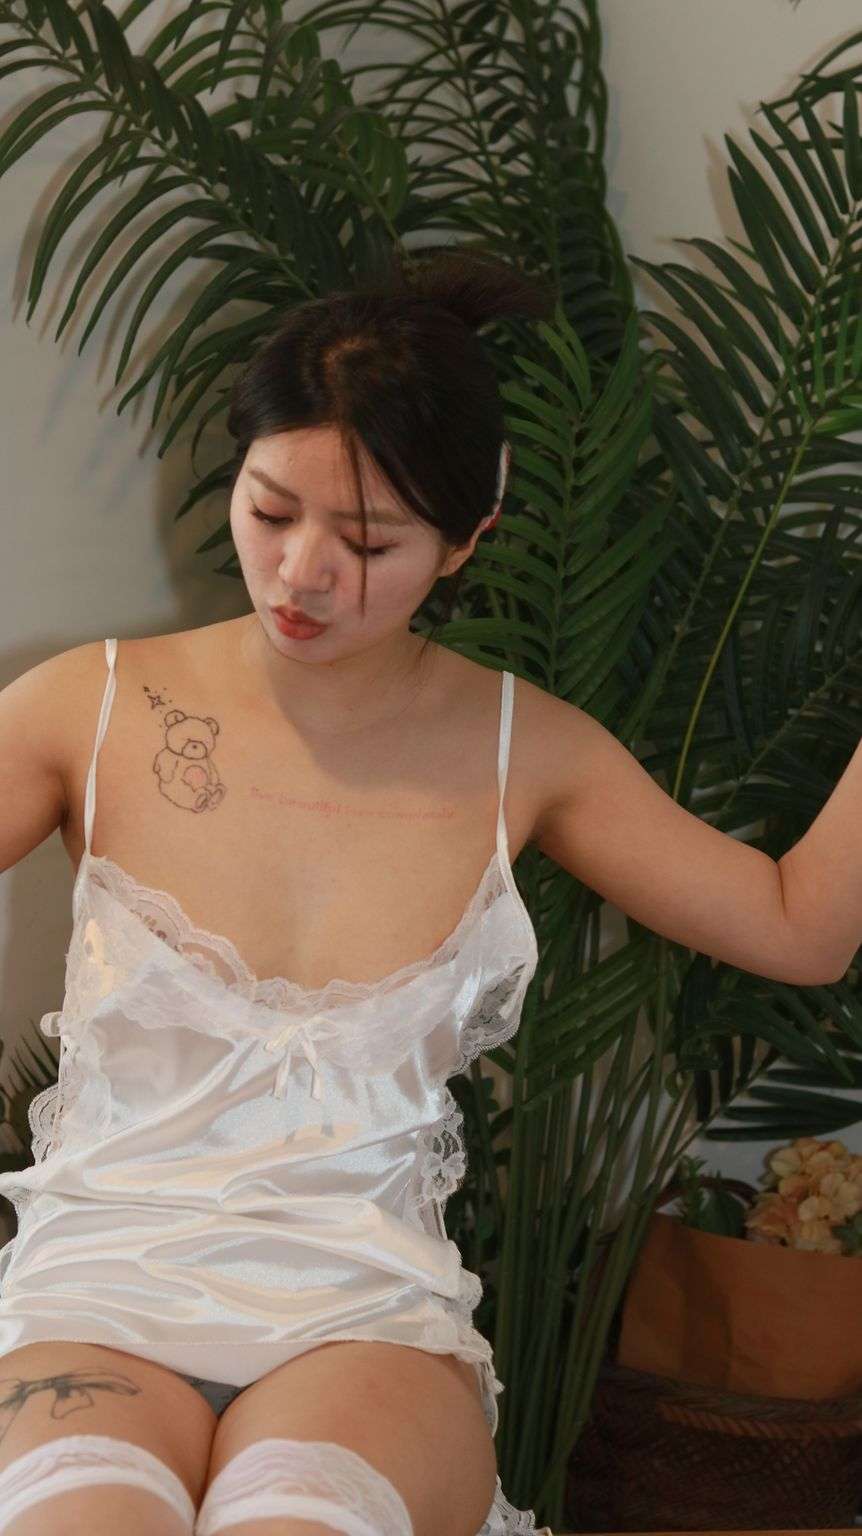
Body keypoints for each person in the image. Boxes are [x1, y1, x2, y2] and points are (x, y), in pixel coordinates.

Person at [0, 245, 558, 1535]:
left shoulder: (525, 749)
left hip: (366, 1325)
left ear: (465, 540)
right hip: (95, 1299)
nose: (302, 573)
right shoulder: (90, 705)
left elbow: (797, 923)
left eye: (366, 542)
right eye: (269, 512)